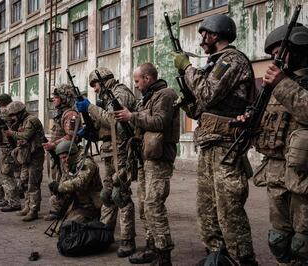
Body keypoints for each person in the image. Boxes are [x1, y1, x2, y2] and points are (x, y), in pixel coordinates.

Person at [172, 14, 257, 265]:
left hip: (225, 145)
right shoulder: (214, 64)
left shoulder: (231, 60)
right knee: (206, 209)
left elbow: (208, 93)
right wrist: (187, 99)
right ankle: (217, 257)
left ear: (215, 35)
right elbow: (201, 109)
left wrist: (187, 68)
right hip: (210, 143)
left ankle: (243, 259)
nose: (201, 40)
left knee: (229, 208)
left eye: (204, 34)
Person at [241, 24, 308, 265]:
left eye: (280, 53)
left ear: (299, 49)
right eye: (271, 55)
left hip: (304, 179)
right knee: (279, 240)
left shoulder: (284, 84)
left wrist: (281, 83)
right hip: (277, 177)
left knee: (304, 245)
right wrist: (248, 122)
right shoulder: (276, 88)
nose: (274, 60)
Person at [114, 62, 179, 265]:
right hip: (145, 158)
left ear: (148, 78)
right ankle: (152, 247)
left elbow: (160, 121)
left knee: (153, 204)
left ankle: (163, 253)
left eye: (137, 81)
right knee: (144, 205)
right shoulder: (147, 98)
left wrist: (132, 115)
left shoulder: (165, 94)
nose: (136, 85)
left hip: (159, 159)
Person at [76, 67, 137, 257]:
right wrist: (90, 130)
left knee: (121, 195)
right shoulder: (106, 98)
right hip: (109, 152)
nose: (94, 90)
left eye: (95, 85)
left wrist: (90, 108)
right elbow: (103, 127)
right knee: (107, 194)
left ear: (103, 81)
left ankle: (128, 240)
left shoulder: (120, 93)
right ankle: (104, 233)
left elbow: (112, 121)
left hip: (122, 152)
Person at [42, 84, 80, 221]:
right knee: (57, 181)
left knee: (63, 182)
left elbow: (72, 136)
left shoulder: (70, 114)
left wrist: (54, 144)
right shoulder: (61, 113)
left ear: (64, 98)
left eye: (56, 97)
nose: (53, 100)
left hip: (66, 154)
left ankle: (62, 210)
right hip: (58, 154)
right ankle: (58, 209)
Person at [4, 101, 45, 221]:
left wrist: (11, 133)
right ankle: (27, 206)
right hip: (26, 156)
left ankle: (34, 210)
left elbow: (26, 136)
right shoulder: (22, 121)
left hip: (35, 156)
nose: (12, 117)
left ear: (19, 112)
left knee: (33, 183)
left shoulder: (31, 120)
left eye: (13, 115)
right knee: (25, 182)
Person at [48, 140, 102, 223]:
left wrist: (60, 187)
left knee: (69, 225)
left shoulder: (87, 162)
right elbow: (65, 178)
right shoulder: (69, 161)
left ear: (72, 154)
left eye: (64, 157)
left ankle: (90, 217)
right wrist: (58, 189)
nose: (63, 160)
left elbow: (80, 182)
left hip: (88, 202)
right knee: (54, 200)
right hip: (75, 199)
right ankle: (69, 213)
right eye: (61, 158)